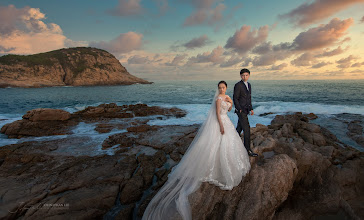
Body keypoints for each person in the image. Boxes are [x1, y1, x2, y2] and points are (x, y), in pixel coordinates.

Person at [142, 81, 251, 220]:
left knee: (229, 144)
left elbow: (228, 110)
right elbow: (218, 113)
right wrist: (221, 126)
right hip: (221, 122)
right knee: (215, 144)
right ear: (218, 89)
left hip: (227, 120)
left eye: (223, 87)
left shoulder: (227, 97)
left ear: (226, 88)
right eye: (220, 88)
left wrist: (230, 101)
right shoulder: (218, 98)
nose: (222, 89)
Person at [233, 68, 258, 157]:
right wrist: (239, 109)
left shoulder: (249, 85)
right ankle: (247, 150)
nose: (245, 77)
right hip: (241, 111)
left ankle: (231, 142)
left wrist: (251, 108)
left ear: (249, 75)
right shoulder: (238, 85)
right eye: (243, 75)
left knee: (239, 128)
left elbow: (249, 98)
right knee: (247, 129)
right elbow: (235, 98)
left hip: (246, 110)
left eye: (246, 75)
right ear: (240, 76)